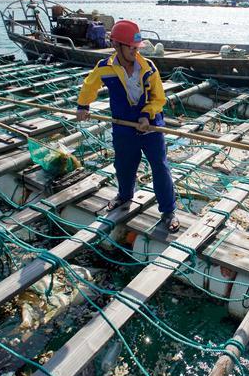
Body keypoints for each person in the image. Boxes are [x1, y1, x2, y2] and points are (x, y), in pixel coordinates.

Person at [75, 20, 179, 231]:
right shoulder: (105, 68)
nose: (134, 51)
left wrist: (146, 116)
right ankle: (124, 196)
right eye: (131, 47)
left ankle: (168, 211)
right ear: (116, 45)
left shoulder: (148, 68)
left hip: (150, 126)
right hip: (123, 126)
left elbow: (159, 99)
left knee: (160, 167)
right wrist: (83, 106)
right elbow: (89, 85)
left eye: (136, 47)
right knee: (123, 164)